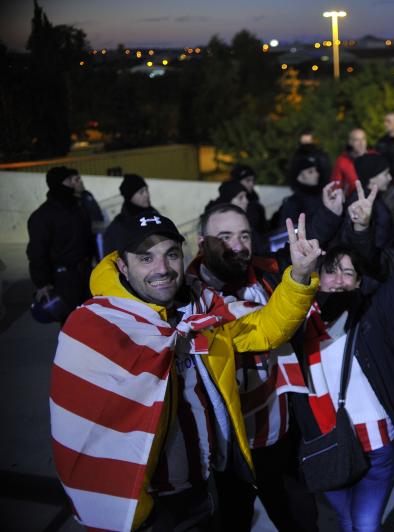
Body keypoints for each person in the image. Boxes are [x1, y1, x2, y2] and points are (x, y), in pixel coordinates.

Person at [49, 211, 321, 531]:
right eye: (146, 258)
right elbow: (81, 440)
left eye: (171, 254)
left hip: (211, 485)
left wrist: (300, 276)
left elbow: (263, 330)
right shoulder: (94, 327)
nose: (162, 269)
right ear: (122, 265)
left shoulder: (202, 304)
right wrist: (142, 517)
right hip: (156, 510)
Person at [289, 186, 394, 532]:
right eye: (331, 271)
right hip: (327, 447)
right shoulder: (296, 321)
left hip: (378, 448)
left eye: (349, 273)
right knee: (347, 520)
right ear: (317, 278)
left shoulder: (373, 316)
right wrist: (330, 219)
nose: (339, 280)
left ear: (359, 282)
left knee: (364, 525)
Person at [187, 204, 320, 531]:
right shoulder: (184, 296)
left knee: (300, 520)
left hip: (280, 437)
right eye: (225, 236)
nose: (237, 244)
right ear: (202, 242)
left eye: (244, 235)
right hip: (227, 448)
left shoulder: (271, 274)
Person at [27, 166, 95, 320]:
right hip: (63, 281)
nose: (74, 183)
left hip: (86, 275)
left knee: (92, 321)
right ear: (59, 184)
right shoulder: (42, 216)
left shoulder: (79, 208)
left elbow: (88, 238)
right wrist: (42, 283)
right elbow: (37, 252)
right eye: (69, 180)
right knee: (72, 323)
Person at [103, 173, 158, 256]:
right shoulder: (118, 227)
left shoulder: (155, 215)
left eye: (146, 190)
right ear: (130, 197)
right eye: (141, 192)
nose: (146, 195)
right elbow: (111, 259)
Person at [351, 153, 394, 248]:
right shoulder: (362, 205)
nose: (390, 177)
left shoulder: (377, 199)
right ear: (371, 178)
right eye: (386, 174)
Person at [230, 164, 270, 255]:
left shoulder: (256, 205)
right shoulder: (225, 204)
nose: (251, 184)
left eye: (253, 180)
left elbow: (262, 231)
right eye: (247, 180)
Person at [332, 128, 370, 196]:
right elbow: (335, 187)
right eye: (357, 140)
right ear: (350, 142)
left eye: (363, 139)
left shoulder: (374, 157)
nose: (361, 143)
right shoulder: (342, 161)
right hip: (352, 202)